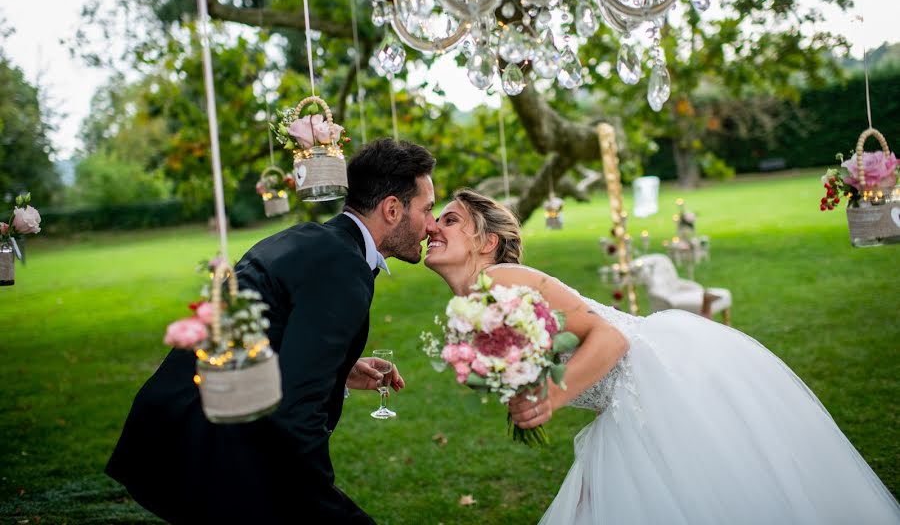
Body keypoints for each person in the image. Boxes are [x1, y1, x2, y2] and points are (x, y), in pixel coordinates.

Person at [424, 188, 900, 525]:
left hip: (663, 381)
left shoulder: (504, 279)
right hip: (630, 400)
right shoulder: (475, 303)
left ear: (487, 243)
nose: (432, 227)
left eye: (449, 220)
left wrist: (548, 396)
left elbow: (610, 338)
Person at [106, 139, 438, 524]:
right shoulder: (342, 267)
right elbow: (296, 411)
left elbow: (268, 322)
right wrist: (321, 503)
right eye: (427, 209)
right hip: (205, 440)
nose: (431, 224)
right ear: (393, 209)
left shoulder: (309, 240)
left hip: (178, 425)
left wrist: (339, 366)